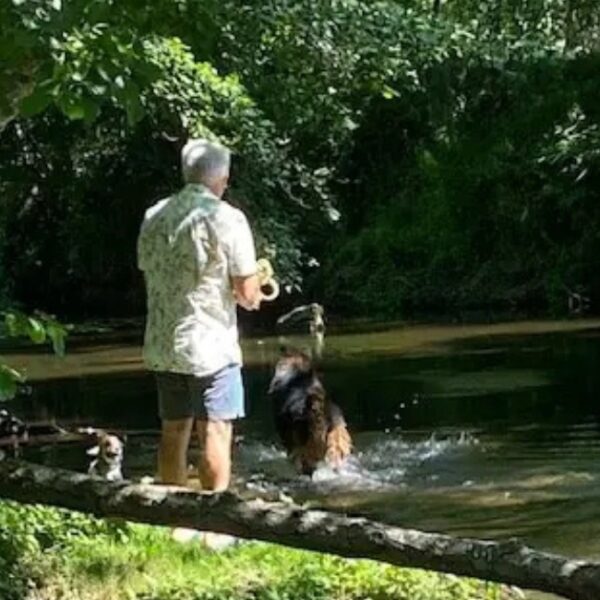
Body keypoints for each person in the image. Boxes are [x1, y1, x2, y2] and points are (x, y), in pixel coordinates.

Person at [137, 138, 262, 492]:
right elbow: (248, 295)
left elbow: (150, 270)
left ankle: (173, 517)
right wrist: (260, 281)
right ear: (221, 177)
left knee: (173, 429)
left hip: (164, 342)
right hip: (211, 347)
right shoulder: (228, 218)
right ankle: (215, 523)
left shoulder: (154, 215)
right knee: (216, 430)